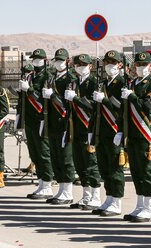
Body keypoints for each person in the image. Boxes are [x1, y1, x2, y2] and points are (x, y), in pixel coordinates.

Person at [120, 51, 151, 222]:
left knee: (146, 171)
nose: (141, 68)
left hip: (145, 133)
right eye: (138, 65)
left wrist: (132, 96)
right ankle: (140, 204)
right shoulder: (133, 83)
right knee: (135, 171)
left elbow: (149, 106)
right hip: (133, 133)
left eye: (144, 65)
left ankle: (149, 208)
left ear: (150, 66)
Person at [92, 50, 125, 217]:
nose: (109, 65)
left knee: (114, 168)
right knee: (104, 167)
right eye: (107, 62)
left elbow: (123, 108)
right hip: (102, 131)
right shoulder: (105, 83)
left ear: (120, 64)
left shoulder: (122, 83)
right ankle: (109, 197)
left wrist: (103, 100)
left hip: (114, 129)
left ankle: (117, 201)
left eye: (113, 62)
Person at [19, 49, 55, 199]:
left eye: (39, 58)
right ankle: (41, 182)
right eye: (34, 58)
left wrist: (30, 90)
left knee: (43, 152)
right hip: (30, 119)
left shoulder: (48, 76)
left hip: (41, 119)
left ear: (45, 59)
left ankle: (47, 184)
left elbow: (44, 99)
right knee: (34, 152)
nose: (36, 61)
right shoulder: (30, 75)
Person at [66, 53, 100, 210]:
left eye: (83, 64)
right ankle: (86, 196)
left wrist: (76, 99)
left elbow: (94, 106)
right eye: (78, 65)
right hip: (77, 128)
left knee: (91, 164)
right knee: (80, 163)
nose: (80, 67)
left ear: (90, 66)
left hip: (89, 127)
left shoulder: (94, 82)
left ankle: (96, 196)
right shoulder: (74, 82)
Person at [42, 48, 75, 205]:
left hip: (65, 123)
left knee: (66, 157)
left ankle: (67, 191)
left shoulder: (70, 78)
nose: (59, 63)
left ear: (68, 61)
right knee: (55, 156)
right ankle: (61, 189)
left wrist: (52, 95)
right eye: (57, 60)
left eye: (61, 60)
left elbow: (68, 104)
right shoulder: (53, 78)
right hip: (54, 123)